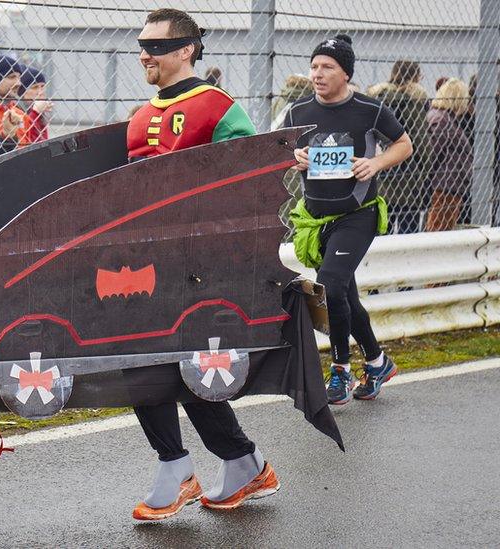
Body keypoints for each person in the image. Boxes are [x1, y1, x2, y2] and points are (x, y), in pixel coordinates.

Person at [126, 9, 279, 521]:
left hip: (199, 266)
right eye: (141, 43)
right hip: (147, 263)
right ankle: (233, 462)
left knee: (175, 364)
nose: (144, 52)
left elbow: (247, 186)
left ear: (187, 49)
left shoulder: (218, 108)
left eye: (156, 44)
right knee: (160, 361)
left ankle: (195, 465)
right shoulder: (140, 114)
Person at [283, 34, 413, 405]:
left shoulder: (369, 110)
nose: (317, 74)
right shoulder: (298, 111)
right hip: (316, 219)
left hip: (358, 215)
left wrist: (375, 163)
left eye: (327, 67)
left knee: (330, 285)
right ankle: (377, 362)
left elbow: (404, 145)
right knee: (345, 297)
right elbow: (278, 150)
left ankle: (340, 370)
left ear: (346, 74)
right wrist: (295, 158)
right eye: (314, 66)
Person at [367, 60, 429, 233]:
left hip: (377, 174)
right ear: (416, 77)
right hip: (408, 178)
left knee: (380, 229)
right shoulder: (414, 103)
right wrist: (425, 172)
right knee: (407, 231)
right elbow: (421, 143)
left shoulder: (375, 101)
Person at [424, 78, 472, 232]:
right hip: (446, 185)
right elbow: (433, 153)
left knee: (441, 228)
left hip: (449, 183)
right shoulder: (442, 119)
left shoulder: (443, 117)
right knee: (439, 230)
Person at [18, 66, 51, 145]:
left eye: (42, 86)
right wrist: (35, 113)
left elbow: (42, 143)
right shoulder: (16, 110)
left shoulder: (40, 111)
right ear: (22, 92)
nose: (40, 92)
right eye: (34, 87)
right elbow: (28, 143)